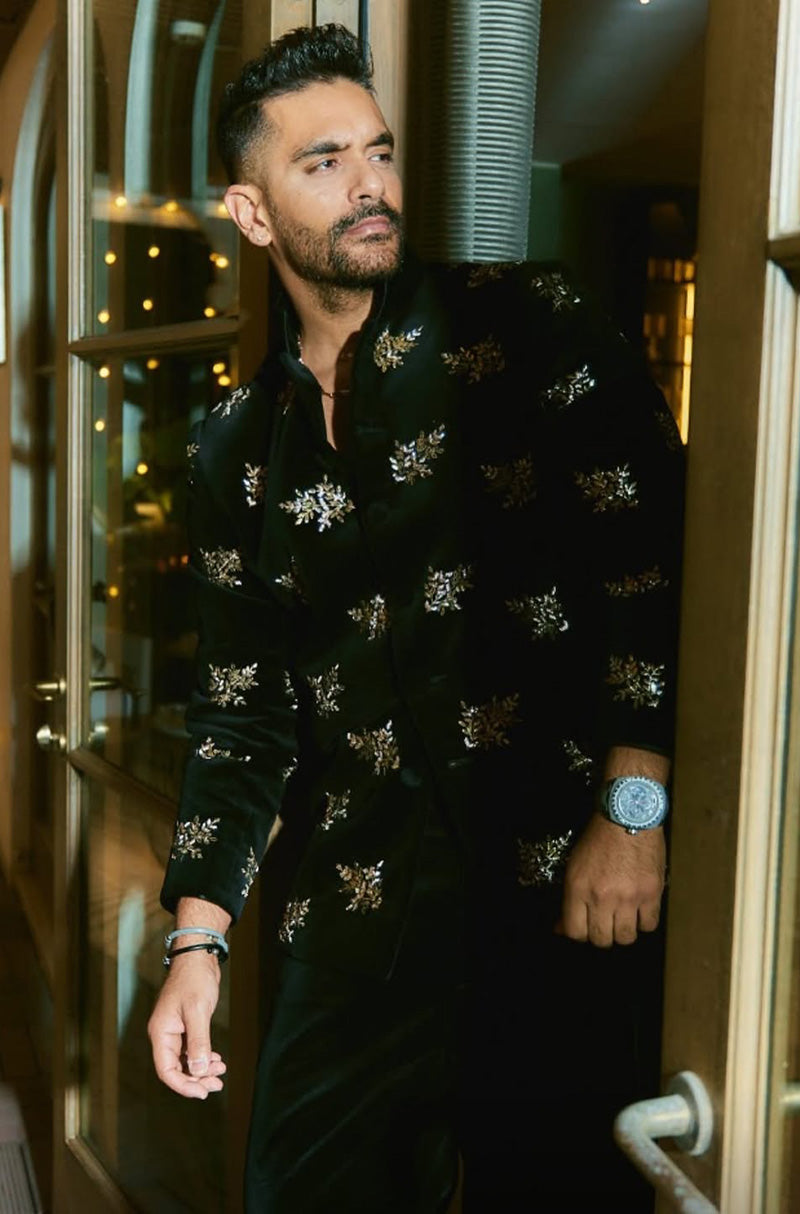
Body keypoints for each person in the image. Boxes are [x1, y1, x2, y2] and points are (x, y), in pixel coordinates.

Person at [148, 23, 684, 1213]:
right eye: (323, 161)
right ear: (250, 212)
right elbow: (240, 715)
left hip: (560, 887)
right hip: (358, 916)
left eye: (378, 152)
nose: (368, 184)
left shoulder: (529, 327)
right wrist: (196, 939)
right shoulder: (234, 447)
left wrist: (632, 805)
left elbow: (656, 571)